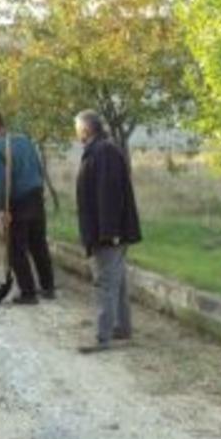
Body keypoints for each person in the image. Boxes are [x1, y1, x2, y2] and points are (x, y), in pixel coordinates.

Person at [74, 110, 142, 354]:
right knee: (118, 282)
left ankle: (103, 337)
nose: (76, 133)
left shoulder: (103, 152)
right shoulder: (100, 150)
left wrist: (109, 231)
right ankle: (122, 327)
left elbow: (109, 194)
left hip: (108, 232)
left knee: (105, 283)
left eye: (77, 128)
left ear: (86, 129)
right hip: (108, 230)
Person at [0, 110, 55, 305]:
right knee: (38, 244)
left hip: (17, 201)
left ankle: (28, 292)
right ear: (3, 123)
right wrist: (41, 191)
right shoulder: (25, 140)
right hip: (36, 196)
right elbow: (39, 168)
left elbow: (1, 181)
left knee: (16, 249)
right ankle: (48, 287)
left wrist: (2, 209)